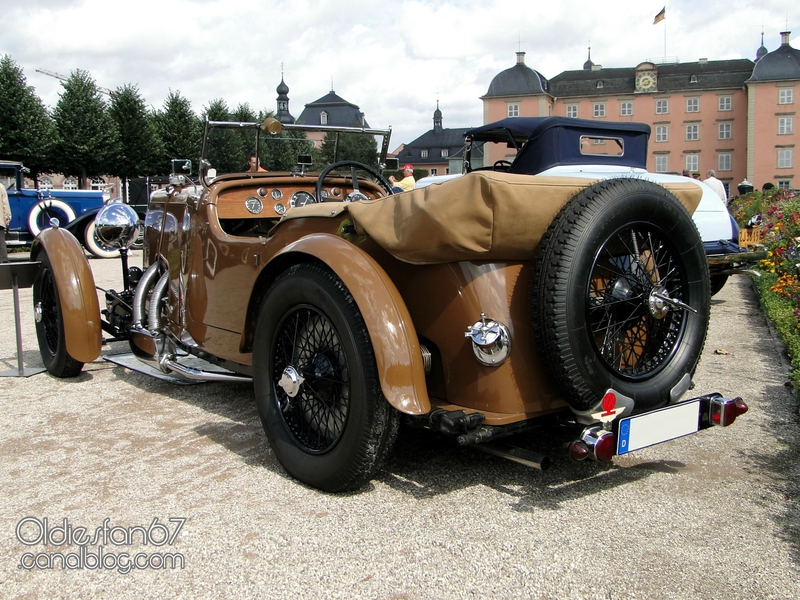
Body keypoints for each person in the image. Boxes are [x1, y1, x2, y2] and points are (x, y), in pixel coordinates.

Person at [0, 182, 11, 262]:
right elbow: (5, 203)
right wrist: (7, 216)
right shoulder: (0, 186)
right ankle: (3, 259)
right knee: (1, 240)